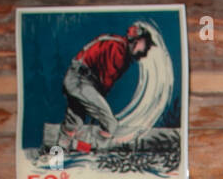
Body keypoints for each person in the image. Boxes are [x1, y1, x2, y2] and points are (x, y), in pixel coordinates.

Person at [55, 22, 155, 152]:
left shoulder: (118, 44)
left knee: (74, 122)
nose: (145, 51)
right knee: (110, 123)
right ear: (135, 41)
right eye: (145, 45)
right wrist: (98, 103)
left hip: (77, 79)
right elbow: (106, 81)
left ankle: (63, 148)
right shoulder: (119, 50)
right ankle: (96, 151)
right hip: (80, 80)